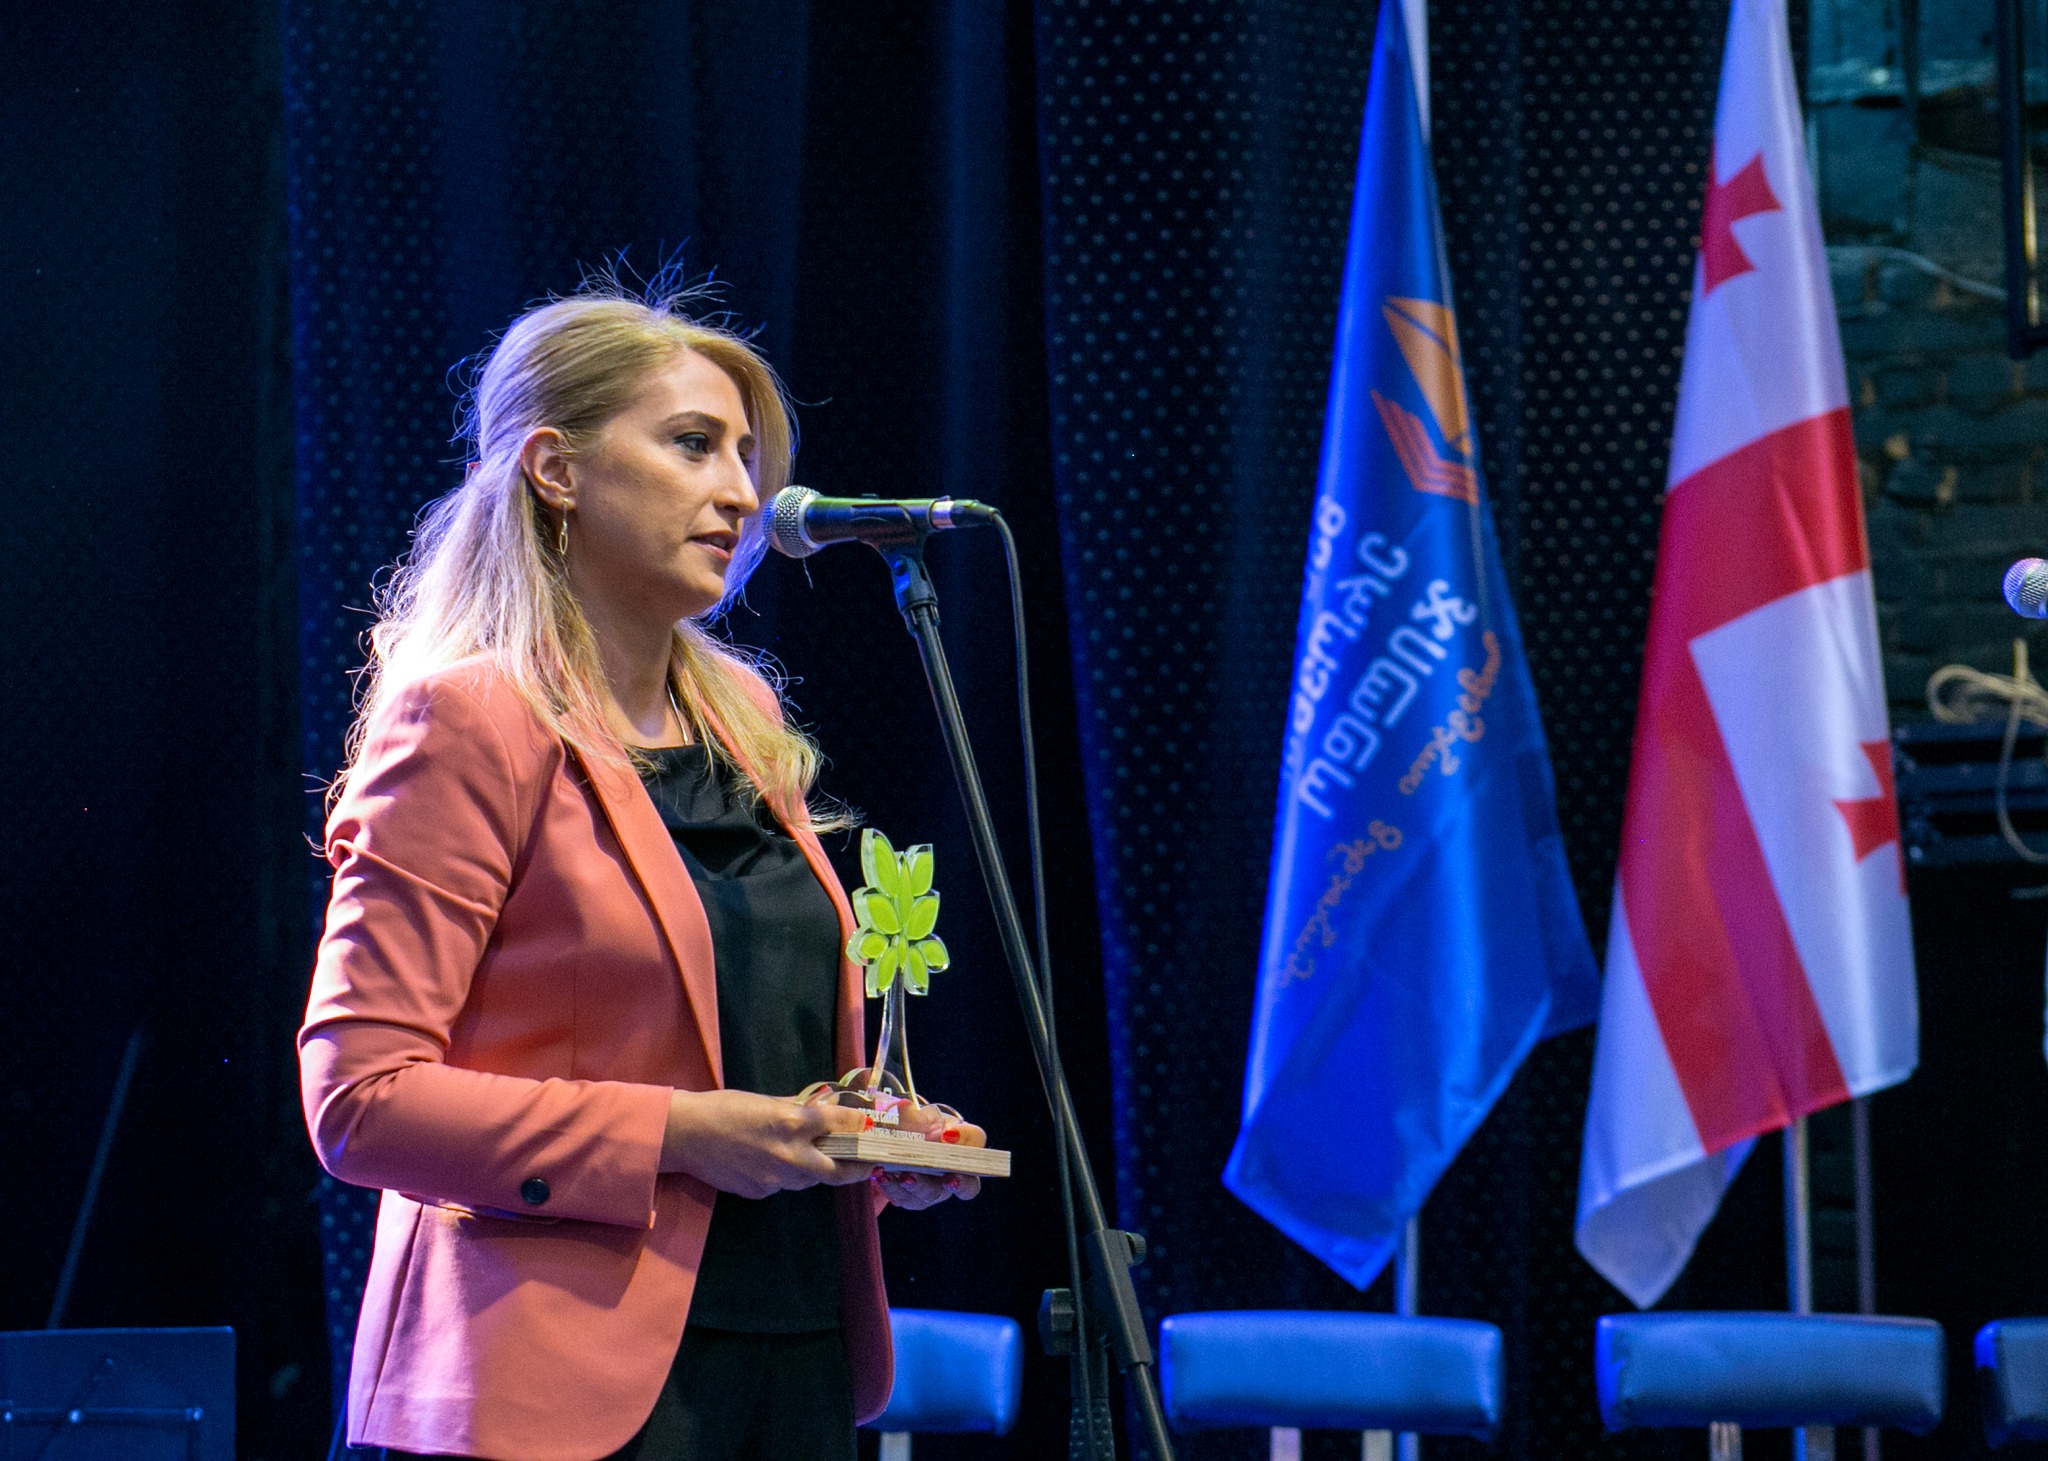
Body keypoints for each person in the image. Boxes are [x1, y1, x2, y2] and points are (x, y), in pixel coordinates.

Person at [298, 287, 982, 1461]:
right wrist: (680, 1132)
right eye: (692, 444)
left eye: (746, 457)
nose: (742, 493)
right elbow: (360, 1104)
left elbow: (739, 1043)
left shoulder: (742, 715)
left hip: (791, 1352)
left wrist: (864, 1140)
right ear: (556, 469)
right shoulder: (469, 721)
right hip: (548, 1381)